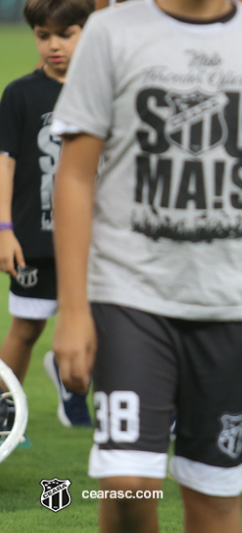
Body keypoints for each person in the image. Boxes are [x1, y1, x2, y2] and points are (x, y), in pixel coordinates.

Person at [50, 0, 242, 530]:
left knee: (214, 497)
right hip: (129, 295)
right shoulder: (110, 32)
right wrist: (74, 308)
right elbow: (76, 175)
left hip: (238, 303)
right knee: (127, 484)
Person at [0, 0, 94, 439]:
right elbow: (6, 164)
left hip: (95, 239)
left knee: (107, 325)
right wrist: (3, 229)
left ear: (86, 32)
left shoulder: (100, 90)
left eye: (66, 34)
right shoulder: (19, 94)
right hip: (34, 236)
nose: (54, 45)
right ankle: (3, 411)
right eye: (43, 36)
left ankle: (72, 379)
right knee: (25, 328)